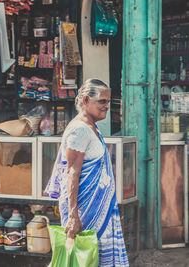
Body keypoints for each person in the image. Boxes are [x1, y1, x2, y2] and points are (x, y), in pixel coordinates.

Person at [45, 79, 129, 266]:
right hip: (85, 212)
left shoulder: (91, 127)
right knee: (86, 260)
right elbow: (72, 173)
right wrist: (74, 216)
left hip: (96, 209)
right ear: (85, 100)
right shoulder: (80, 130)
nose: (107, 106)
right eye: (102, 101)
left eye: (108, 101)